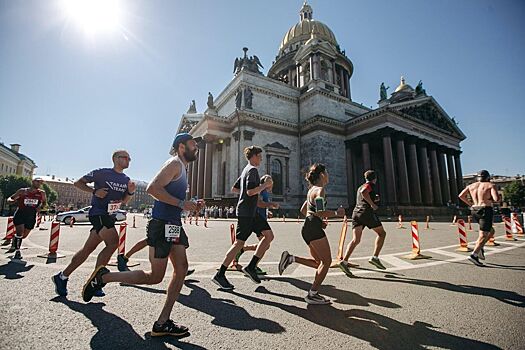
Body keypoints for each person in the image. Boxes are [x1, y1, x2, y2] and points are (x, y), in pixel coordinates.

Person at [81, 133, 204, 337]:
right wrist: (182, 204)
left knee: (181, 269)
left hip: (173, 224)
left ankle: (163, 322)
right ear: (181, 147)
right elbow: (152, 188)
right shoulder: (174, 164)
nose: (196, 147)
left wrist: (190, 205)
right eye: (193, 144)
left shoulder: (182, 168)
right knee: (155, 277)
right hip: (162, 224)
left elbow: (170, 196)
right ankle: (104, 277)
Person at [52, 150, 135, 297]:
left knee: (87, 250)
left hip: (110, 216)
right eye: (125, 157)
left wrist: (130, 192)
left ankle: (62, 276)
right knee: (113, 242)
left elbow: (124, 201)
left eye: (130, 158)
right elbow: (78, 183)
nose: (129, 160)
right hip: (98, 213)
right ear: (115, 159)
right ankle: (96, 281)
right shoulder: (101, 173)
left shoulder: (126, 179)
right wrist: (94, 191)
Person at [278, 163, 345, 304]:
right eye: (326, 173)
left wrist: (318, 220)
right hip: (313, 228)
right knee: (326, 262)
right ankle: (312, 294)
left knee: (318, 263)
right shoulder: (320, 190)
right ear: (322, 175)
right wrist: (336, 213)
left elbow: (304, 210)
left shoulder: (310, 191)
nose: (328, 175)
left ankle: (291, 258)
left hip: (308, 227)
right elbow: (320, 211)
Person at [212, 146, 274, 289]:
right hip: (247, 213)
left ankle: (251, 267)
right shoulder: (252, 170)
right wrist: (264, 185)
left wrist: (245, 195)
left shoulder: (245, 170)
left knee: (268, 236)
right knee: (238, 244)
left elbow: (235, 189)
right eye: (260, 156)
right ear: (254, 156)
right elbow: (250, 191)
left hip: (250, 212)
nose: (261, 159)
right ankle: (220, 274)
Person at [337, 170, 387, 275]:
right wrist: (372, 204)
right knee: (382, 234)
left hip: (356, 213)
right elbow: (364, 192)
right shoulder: (369, 185)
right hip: (366, 213)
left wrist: (374, 199)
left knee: (356, 240)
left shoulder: (360, 186)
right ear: (375, 179)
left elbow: (363, 194)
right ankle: (375, 257)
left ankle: (344, 261)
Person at [233, 174, 279, 275]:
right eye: (269, 181)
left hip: (261, 218)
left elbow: (262, 204)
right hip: (256, 219)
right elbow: (258, 203)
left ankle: (243, 250)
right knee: (265, 243)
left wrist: (267, 211)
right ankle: (253, 266)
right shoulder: (260, 190)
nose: (271, 184)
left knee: (265, 244)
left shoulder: (264, 191)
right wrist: (270, 205)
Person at [458, 170, 499, 266]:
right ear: (488, 177)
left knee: (491, 231)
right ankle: (474, 255)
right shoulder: (490, 185)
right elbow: (497, 199)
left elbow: (461, 196)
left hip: (474, 210)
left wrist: (471, 204)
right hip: (485, 209)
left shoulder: (471, 186)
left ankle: (480, 248)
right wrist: (490, 198)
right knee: (483, 234)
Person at [6, 177, 47, 259]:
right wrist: (10, 201)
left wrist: (40, 207)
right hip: (20, 213)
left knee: (24, 236)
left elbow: (44, 203)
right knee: (19, 233)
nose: (39, 184)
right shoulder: (22, 191)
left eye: (40, 183)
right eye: (38, 182)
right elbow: (10, 198)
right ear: (33, 182)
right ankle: (17, 251)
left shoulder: (42, 193)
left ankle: (15, 240)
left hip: (31, 215)